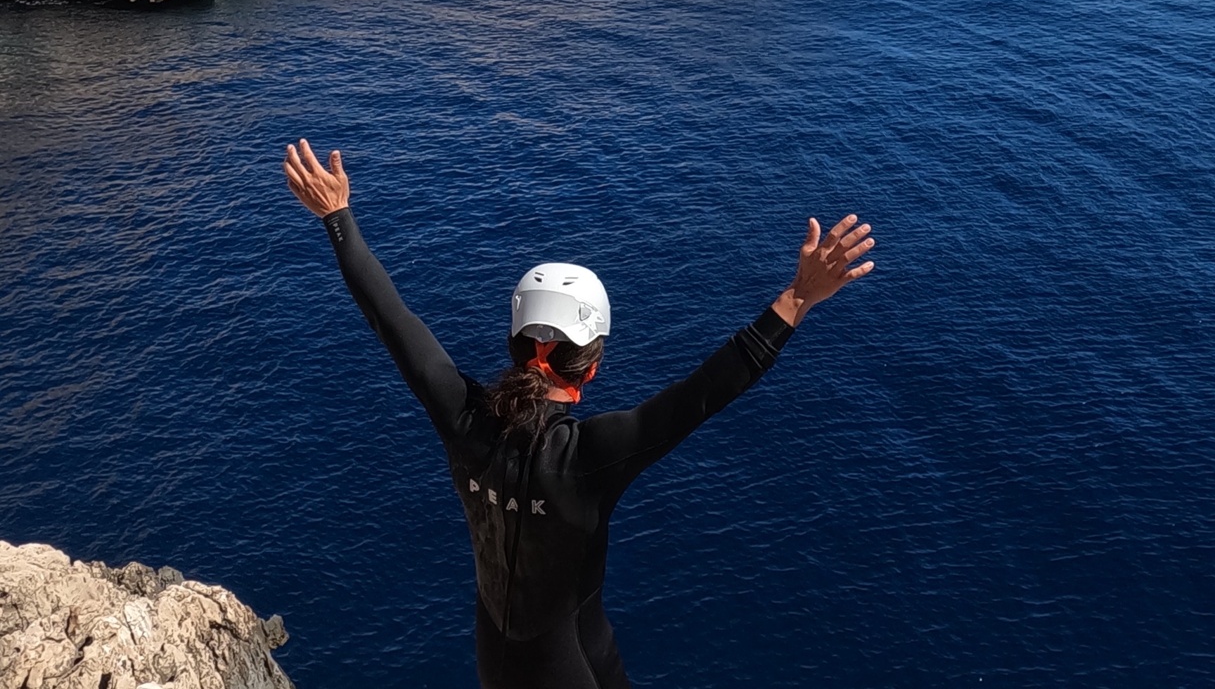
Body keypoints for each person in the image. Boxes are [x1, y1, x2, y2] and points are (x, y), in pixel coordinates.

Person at [283, 138, 875, 689]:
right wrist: (797, 297)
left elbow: (392, 318)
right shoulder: (587, 458)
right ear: (592, 366)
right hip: (567, 664)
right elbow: (706, 391)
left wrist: (338, 217)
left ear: (515, 344)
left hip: (498, 651)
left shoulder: (461, 416)